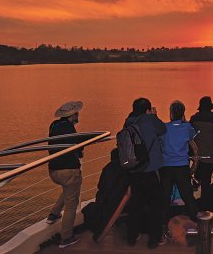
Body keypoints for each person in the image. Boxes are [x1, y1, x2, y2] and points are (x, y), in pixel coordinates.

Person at [124, 98, 167, 249]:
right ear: (147, 110)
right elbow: (163, 130)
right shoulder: (150, 120)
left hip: (134, 170)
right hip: (150, 170)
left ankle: (132, 237)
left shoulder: (128, 121)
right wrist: (154, 116)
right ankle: (154, 239)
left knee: (135, 205)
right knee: (155, 205)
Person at [46, 100, 84, 249]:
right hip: (68, 170)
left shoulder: (54, 125)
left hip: (53, 170)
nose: (78, 115)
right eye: (76, 114)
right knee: (71, 204)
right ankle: (66, 238)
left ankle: (53, 214)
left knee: (69, 191)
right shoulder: (69, 128)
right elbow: (76, 146)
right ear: (71, 115)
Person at [160, 100, 198, 223]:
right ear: (183, 113)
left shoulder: (164, 128)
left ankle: (163, 226)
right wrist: (184, 121)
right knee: (188, 196)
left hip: (166, 168)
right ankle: (196, 222)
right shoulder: (187, 128)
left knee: (165, 197)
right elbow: (192, 136)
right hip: (182, 167)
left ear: (171, 113)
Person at [82, 148, 130, 243]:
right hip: (120, 204)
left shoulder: (108, 169)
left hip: (107, 202)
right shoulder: (126, 171)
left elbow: (101, 186)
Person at [190, 96, 213, 209]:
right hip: (209, 157)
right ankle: (205, 207)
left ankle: (194, 205)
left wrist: (191, 153)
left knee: (195, 179)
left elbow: (190, 138)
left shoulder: (193, 120)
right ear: (210, 108)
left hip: (196, 157)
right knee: (206, 183)